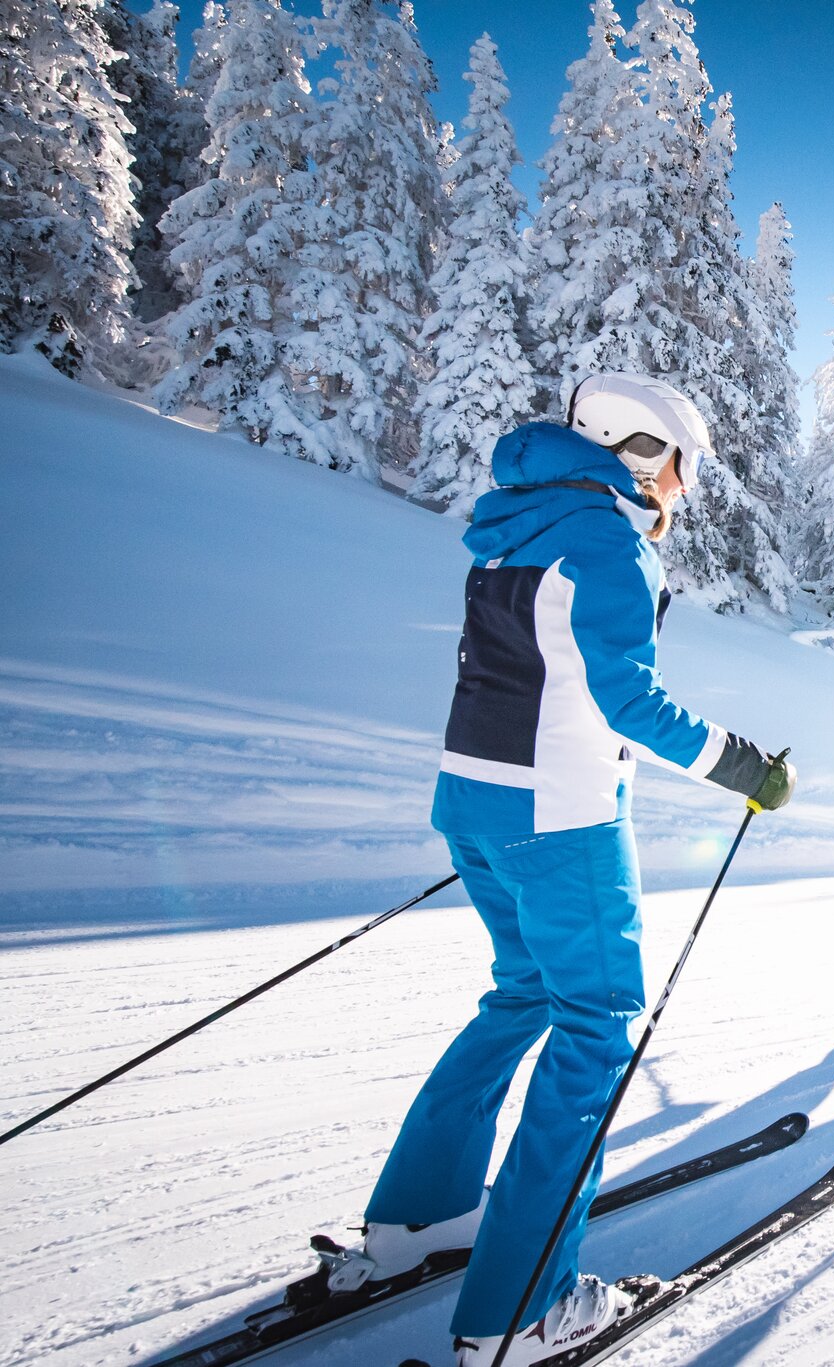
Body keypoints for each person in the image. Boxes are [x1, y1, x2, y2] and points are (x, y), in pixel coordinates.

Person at [321, 373, 795, 1367]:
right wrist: (744, 767)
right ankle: (522, 1311)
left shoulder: (515, 520)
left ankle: (421, 1216)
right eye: (680, 463)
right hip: (560, 817)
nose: (683, 487)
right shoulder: (606, 539)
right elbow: (626, 699)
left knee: (523, 991)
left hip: (474, 802)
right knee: (592, 1028)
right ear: (636, 450)